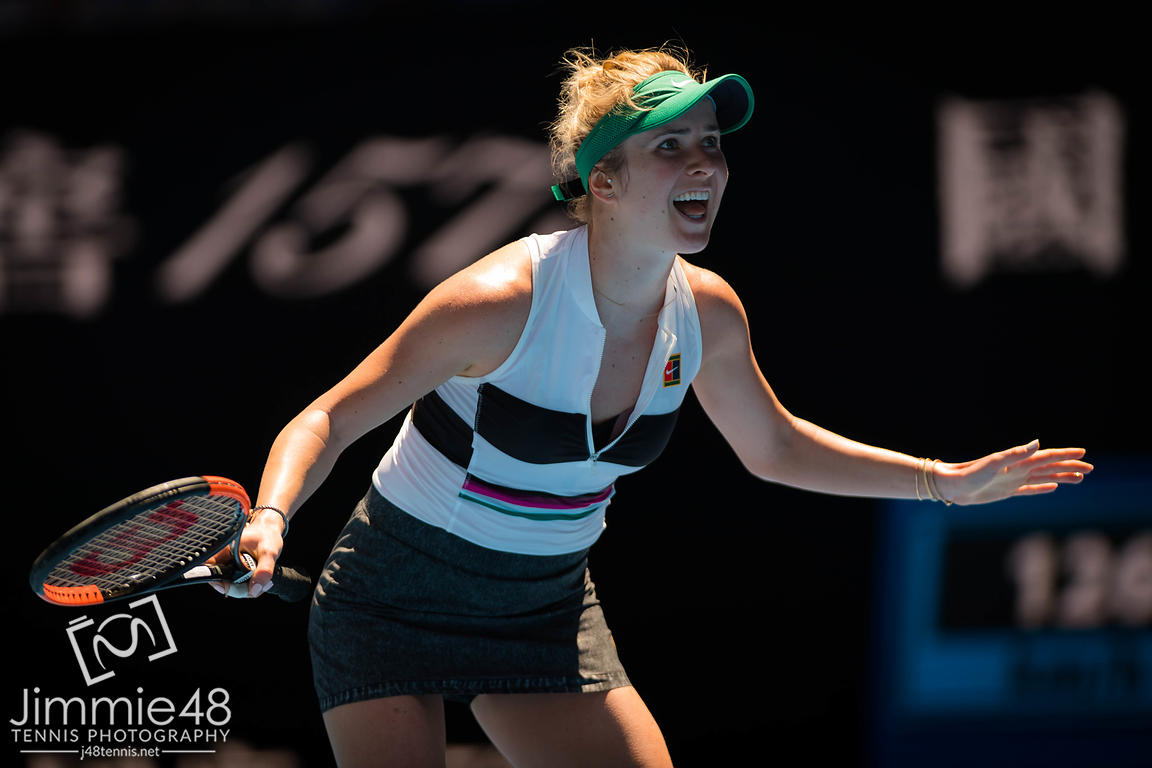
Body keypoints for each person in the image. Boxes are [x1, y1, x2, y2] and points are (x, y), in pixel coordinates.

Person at [220, 46, 1093, 767]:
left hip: (545, 607)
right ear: (602, 181)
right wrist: (270, 517)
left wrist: (944, 482)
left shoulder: (708, 313)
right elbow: (327, 418)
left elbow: (776, 448)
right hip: (392, 599)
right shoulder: (496, 302)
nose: (704, 162)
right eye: (669, 146)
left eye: (710, 141)